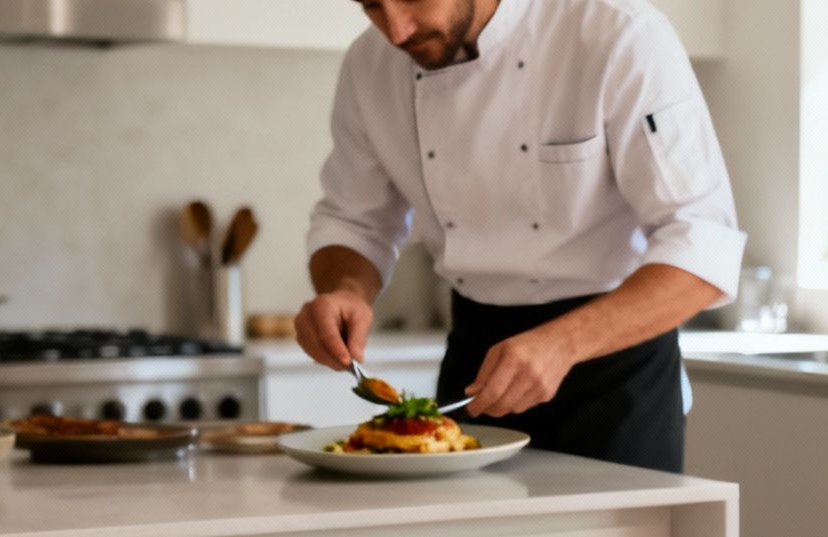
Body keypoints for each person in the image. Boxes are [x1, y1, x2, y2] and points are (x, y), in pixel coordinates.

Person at [294, 0, 745, 472]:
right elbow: (353, 221)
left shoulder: (619, 35)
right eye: (371, 6)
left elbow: (703, 245)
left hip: (611, 373)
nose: (396, 29)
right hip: (474, 363)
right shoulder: (370, 65)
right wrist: (344, 289)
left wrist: (563, 344)